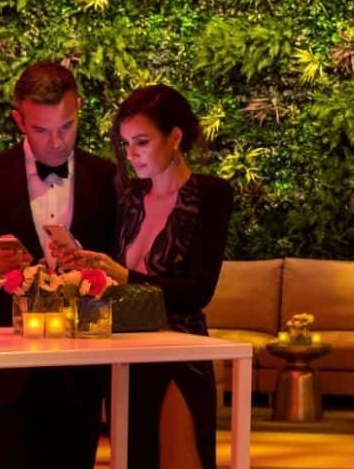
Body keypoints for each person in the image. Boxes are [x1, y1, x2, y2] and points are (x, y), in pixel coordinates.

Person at [0, 62, 121, 469]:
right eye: (41, 130)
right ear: (19, 120)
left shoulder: (109, 178)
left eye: (66, 127)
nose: (56, 142)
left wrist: (93, 264)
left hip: (80, 371)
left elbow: (123, 266)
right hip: (3, 369)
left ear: (79, 109)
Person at [61, 84, 233, 469]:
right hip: (122, 358)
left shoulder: (209, 195)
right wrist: (85, 263)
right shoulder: (129, 197)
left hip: (177, 357)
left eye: (141, 141)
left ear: (175, 137)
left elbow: (197, 292)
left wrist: (123, 274)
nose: (132, 154)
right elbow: (111, 275)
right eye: (126, 144)